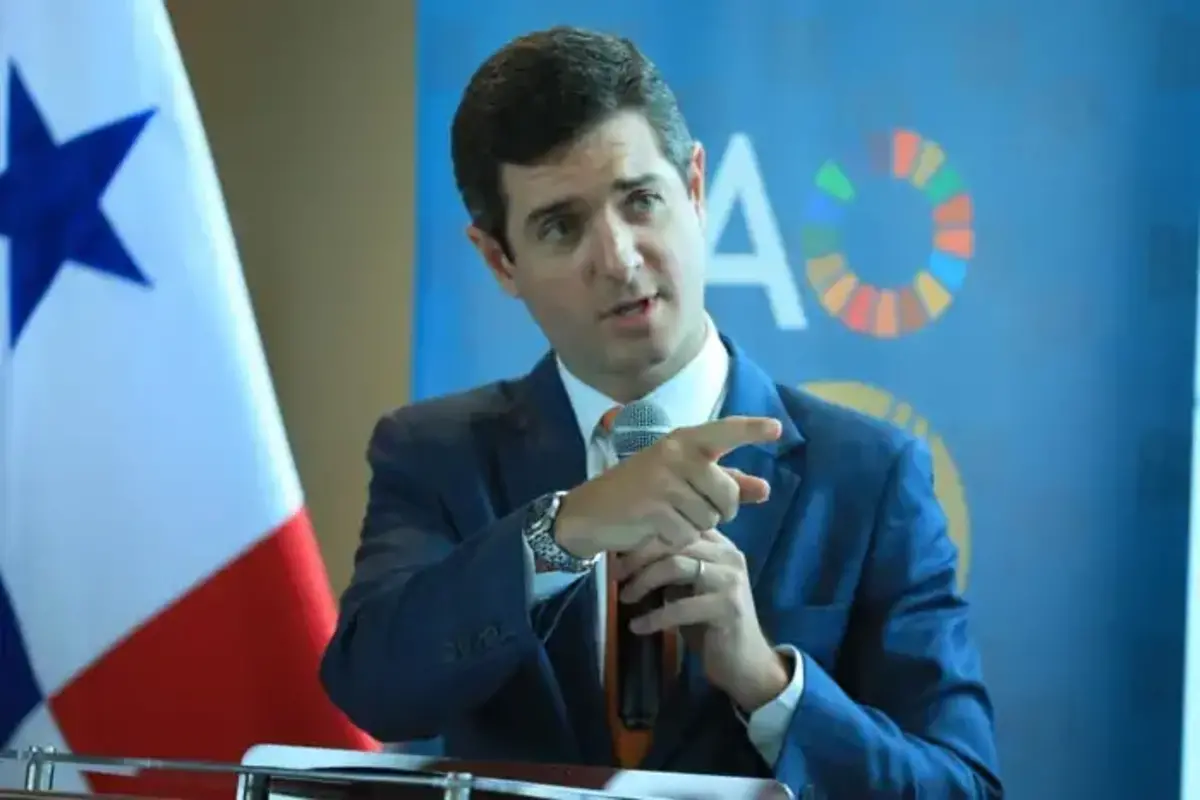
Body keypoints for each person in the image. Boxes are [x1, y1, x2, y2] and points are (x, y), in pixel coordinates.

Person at [320, 25, 1001, 798]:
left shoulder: (869, 475)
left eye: (640, 201)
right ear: (500, 260)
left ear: (696, 189)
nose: (619, 258)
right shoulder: (437, 454)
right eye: (561, 226)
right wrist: (564, 531)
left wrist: (769, 685)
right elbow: (374, 689)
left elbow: (962, 788)